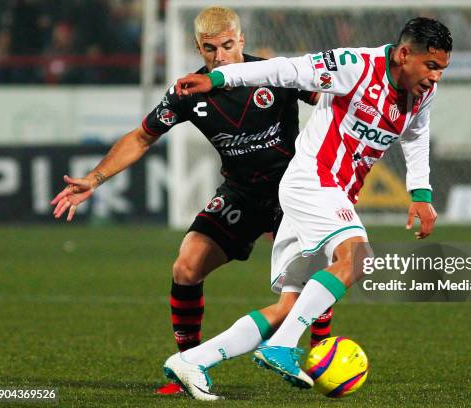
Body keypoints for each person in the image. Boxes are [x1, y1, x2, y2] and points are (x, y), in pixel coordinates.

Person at [49, 5, 333, 395]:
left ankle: (322, 357)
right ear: (197, 47)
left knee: (309, 276)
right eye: (210, 49)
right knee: (186, 266)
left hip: (292, 192)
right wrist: (95, 179)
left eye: (228, 46)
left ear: (242, 40)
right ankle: (188, 366)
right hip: (241, 194)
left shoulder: (276, 74)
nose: (220, 57)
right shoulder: (187, 91)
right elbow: (141, 137)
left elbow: (331, 97)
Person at [163, 16, 451, 400]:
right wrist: (218, 79)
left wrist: (421, 193)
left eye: (442, 69)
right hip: (313, 180)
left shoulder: (421, 92)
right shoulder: (355, 66)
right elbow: (286, 69)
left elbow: (416, 133)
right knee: (359, 258)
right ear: (403, 54)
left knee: (289, 307)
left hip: (336, 193)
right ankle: (282, 346)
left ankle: (193, 360)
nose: (435, 77)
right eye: (431, 66)